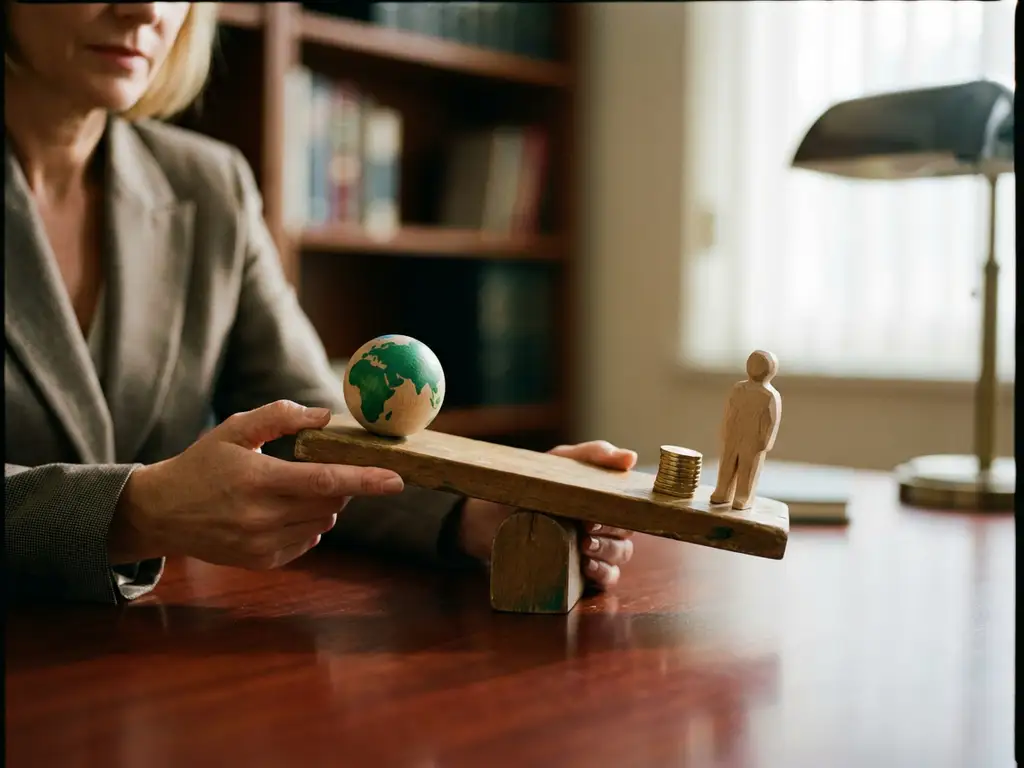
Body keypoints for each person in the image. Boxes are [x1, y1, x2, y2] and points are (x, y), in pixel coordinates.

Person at [4, 2, 637, 604]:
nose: (146, 8)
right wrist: (132, 512)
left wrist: (476, 508)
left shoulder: (209, 184)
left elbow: (313, 425)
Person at [709, 350, 781, 510]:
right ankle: (722, 491)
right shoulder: (738, 388)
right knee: (727, 463)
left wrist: (764, 443)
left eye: (760, 364)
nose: (755, 368)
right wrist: (726, 429)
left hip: (754, 439)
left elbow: (771, 421)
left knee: (747, 468)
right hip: (734, 434)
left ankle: (743, 496)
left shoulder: (769, 395)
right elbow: (730, 411)